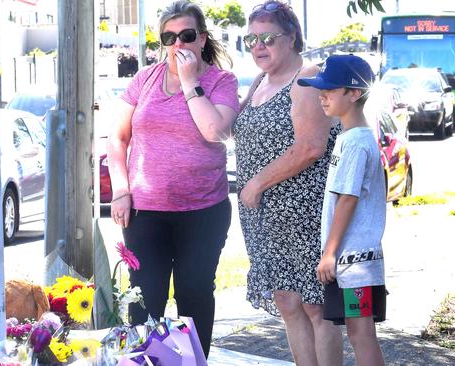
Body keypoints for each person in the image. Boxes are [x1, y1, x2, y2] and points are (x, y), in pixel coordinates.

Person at [107, 0, 239, 358]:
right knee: (144, 297)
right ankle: (144, 363)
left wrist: (191, 82)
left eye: (187, 35)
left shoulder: (221, 81)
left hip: (202, 212)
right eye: (169, 37)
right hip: (146, 212)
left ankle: (194, 362)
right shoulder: (143, 79)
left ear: (202, 38)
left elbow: (216, 131)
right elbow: (117, 138)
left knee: (193, 295)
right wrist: (121, 190)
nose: (178, 44)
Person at [233, 1, 343, 365]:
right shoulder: (261, 80)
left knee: (315, 304)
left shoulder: (307, 77)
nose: (258, 47)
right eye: (250, 40)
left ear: (292, 36)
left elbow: (310, 147)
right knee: (286, 299)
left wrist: (254, 185)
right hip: (268, 217)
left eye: (267, 37)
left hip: (305, 209)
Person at [298, 54, 387, 366]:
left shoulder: (357, 142)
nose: (322, 96)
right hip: (351, 262)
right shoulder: (346, 137)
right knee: (356, 330)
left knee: (361, 333)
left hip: (355, 263)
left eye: (330, 90)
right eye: (321, 90)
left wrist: (329, 254)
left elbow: (347, 200)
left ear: (355, 93)